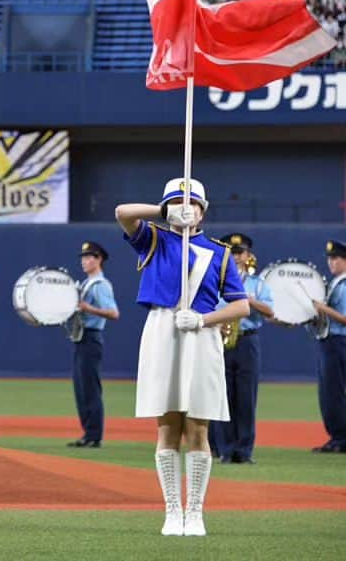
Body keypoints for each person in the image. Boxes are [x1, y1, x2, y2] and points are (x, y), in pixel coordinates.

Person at [116, 178, 249, 537]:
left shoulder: (219, 252)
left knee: (198, 427)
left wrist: (205, 319)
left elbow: (241, 305)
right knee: (167, 424)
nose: (184, 208)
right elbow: (122, 213)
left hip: (201, 334)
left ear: (204, 210)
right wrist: (162, 211)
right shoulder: (154, 239)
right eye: (176, 202)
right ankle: (172, 511)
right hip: (162, 328)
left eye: (191, 203)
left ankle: (196, 513)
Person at [213, 233, 273, 464]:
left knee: (247, 397)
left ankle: (244, 451)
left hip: (248, 339)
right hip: (221, 339)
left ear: (248, 255)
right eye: (232, 253)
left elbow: (270, 312)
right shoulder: (216, 282)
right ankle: (226, 450)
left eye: (240, 252)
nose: (237, 257)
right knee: (223, 396)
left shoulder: (258, 284)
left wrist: (248, 300)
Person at [67, 241, 119, 449]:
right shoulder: (86, 283)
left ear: (99, 260)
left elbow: (113, 313)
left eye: (89, 257)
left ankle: (94, 435)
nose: (84, 261)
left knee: (90, 388)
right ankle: (88, 433)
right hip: (82, 338)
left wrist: (88, 308)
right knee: (81, 388)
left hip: (91, 337)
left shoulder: (100, 285)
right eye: (83, 257)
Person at [308, 239, 346, 453]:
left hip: (339, 342)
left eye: (336, 258)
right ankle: (336, 436)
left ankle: (342, 438)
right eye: (330, 259)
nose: (331, 263)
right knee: (328, 393)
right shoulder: (335, 283)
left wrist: (322, 308)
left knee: (335, 392)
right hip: (328, 341)